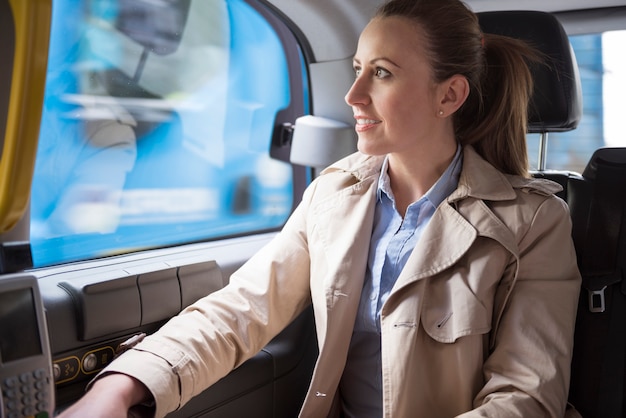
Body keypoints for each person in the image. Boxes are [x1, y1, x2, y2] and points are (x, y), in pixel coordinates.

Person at [58, 0, 581, 416]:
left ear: (449, 95)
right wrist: (124, 385)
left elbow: (524, 399)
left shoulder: (533, 224)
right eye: (356, 69)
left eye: (381, 73)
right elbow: (241, 310)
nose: (353, 93)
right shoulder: (333, 194)